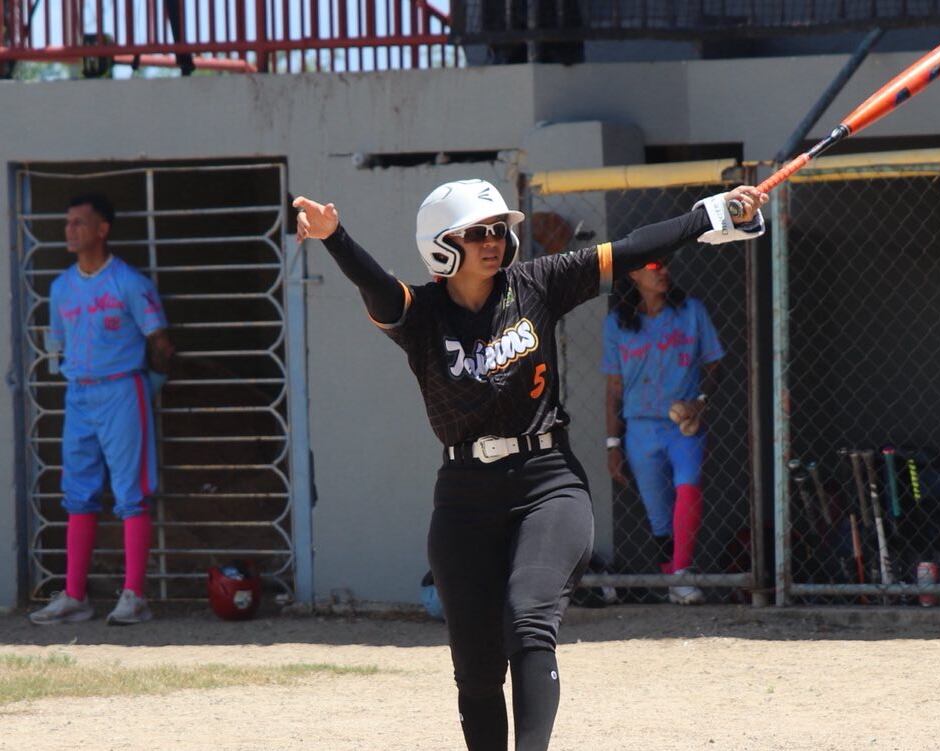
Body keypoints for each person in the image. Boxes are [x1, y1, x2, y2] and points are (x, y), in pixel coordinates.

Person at [291, 179, 765, 751]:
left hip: (548, 482)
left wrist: (709, 215)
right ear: (441, 245)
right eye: (476, 233)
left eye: (499, 229)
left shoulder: (537, 283)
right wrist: (335, 236)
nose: (493, 240)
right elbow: (375, 285)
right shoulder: (422, 314)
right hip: (464, 495)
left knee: (527, 618)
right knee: (476, 668)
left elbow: (630, 249)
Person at [29, 193, 174, 626]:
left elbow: (161, 344)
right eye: (67, 222)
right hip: (79, 395)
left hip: (122, 391)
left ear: (102, 229)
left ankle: (135, 596)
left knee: (131, 492)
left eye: (79, 222)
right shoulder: (61, 287)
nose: (70, 230)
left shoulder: (128, 282)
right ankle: (75, 595)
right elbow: (57, 343)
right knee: (77, 493)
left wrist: (149, 385)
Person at [602, 262, 723, 604]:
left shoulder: (691, 311)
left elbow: (715, 363)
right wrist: (612, 443)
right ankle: (673, 579)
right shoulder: (617, 323)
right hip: (640, 426)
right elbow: (613, 388)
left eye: (666, 264)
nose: (663, 271)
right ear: (633, 274)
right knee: (658, 515)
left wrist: (700, 401)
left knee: (688, 487)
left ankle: (682, 572)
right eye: (654, 265)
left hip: (684, 423)